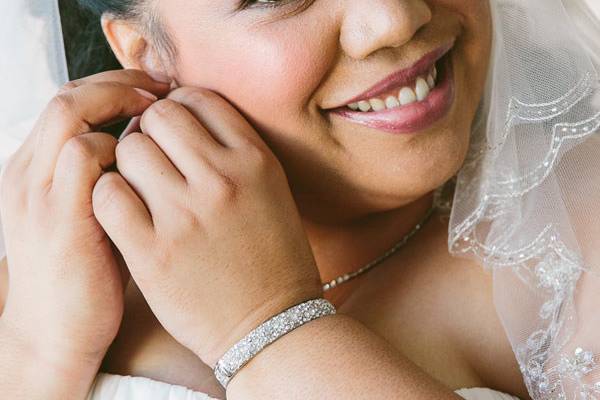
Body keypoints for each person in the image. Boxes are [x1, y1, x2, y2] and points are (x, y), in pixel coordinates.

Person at [0, 0, 598, 399]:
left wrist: (269, 328)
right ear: (145, 53)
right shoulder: (49, 276)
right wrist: (35, 357)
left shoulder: (574, 241)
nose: (394, 17)